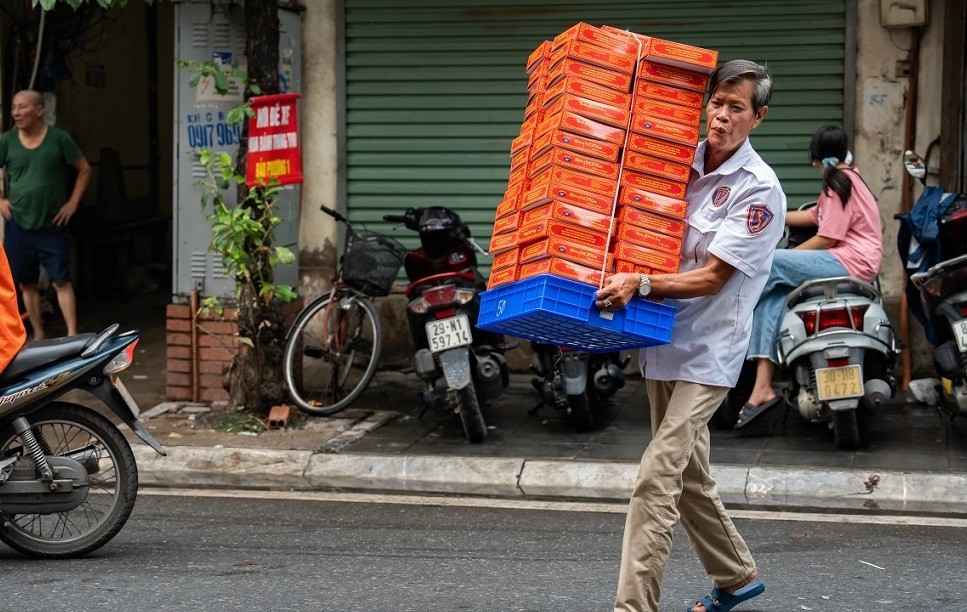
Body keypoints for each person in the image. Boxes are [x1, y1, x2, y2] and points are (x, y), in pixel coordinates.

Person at [594, 59, 785, 612]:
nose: (722, 117)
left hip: (710, 351)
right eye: (717, 104)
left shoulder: (759, 190)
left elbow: (713, 277)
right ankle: (736, 574)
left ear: (759, 118)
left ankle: (634, 608)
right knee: (690, 475)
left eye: (737, 109)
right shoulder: (678, 162)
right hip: (661, 337)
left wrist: (642, 282)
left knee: (657, 477)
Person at [734, 125, 883, 427]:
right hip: (851, 260)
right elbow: (814, 216)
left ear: (816, 157)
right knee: (774, 297)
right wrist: (771, 214)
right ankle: (762, 387)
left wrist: (792, 253)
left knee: (770, 263)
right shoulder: (847, 178)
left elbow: (827, 236)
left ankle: (731, 311)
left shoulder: (838, 181)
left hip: (850, 261)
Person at [0, 89, 90, 339]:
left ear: (39, 110)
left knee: (60, 281)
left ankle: (72, 335)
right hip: (18, 223)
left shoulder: (59, 139)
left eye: (22, 107)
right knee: (26, 283)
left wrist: (73, 202)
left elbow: (84, 169)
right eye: (14, 107)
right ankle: (39, 334)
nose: (16, 112)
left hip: (53, 223)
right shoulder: (7, 141)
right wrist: (0, 200)